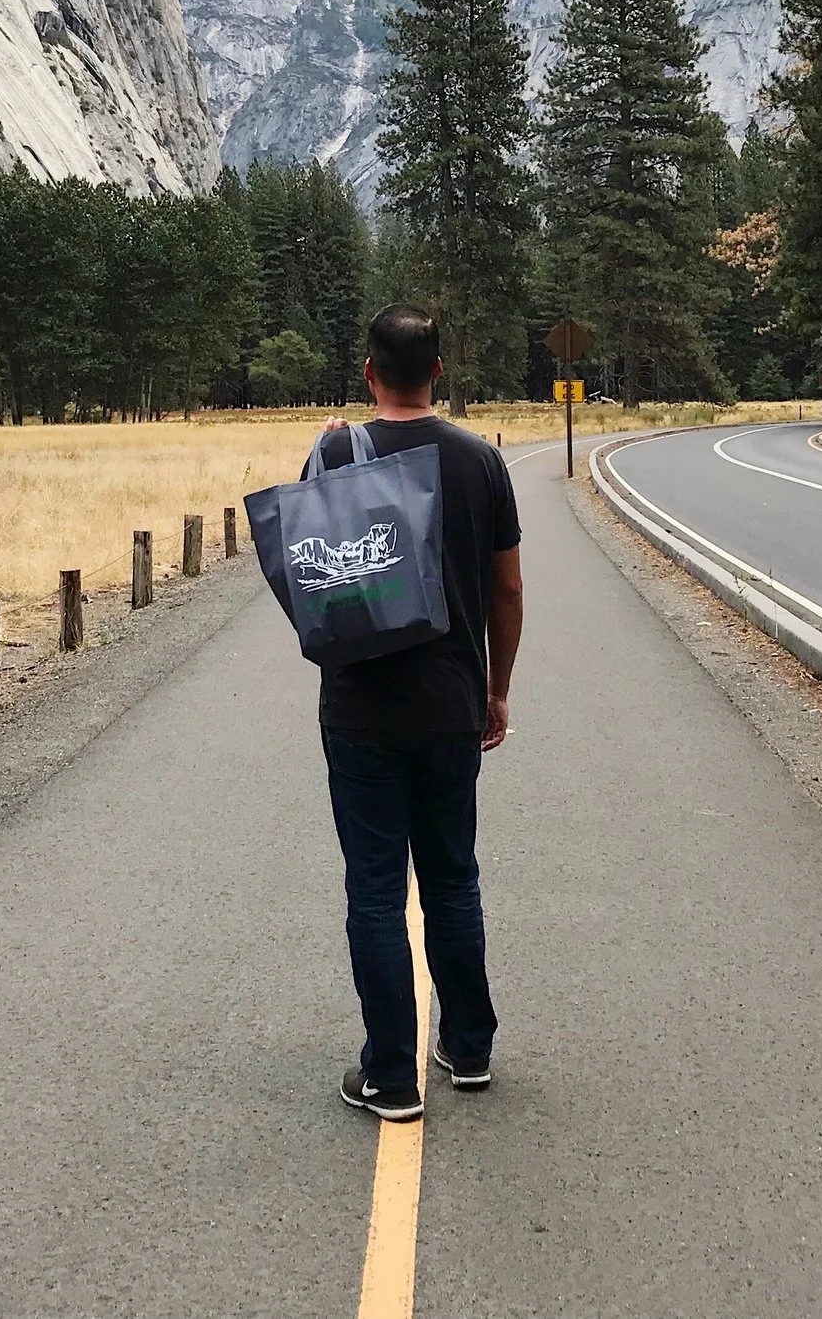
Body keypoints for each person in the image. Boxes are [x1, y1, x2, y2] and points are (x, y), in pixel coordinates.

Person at [318, 304, 523, 1121]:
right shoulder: (481, 462)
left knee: (374, 889)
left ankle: (390, 1076)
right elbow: (507, 588)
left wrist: (328, 449)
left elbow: (313, 569)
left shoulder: (338, 451)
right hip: (450, 705)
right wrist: (496, 686)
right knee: (452, 877)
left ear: (369, 371)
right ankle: (468, 1048)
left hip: (362, 708)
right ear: (439, 370)